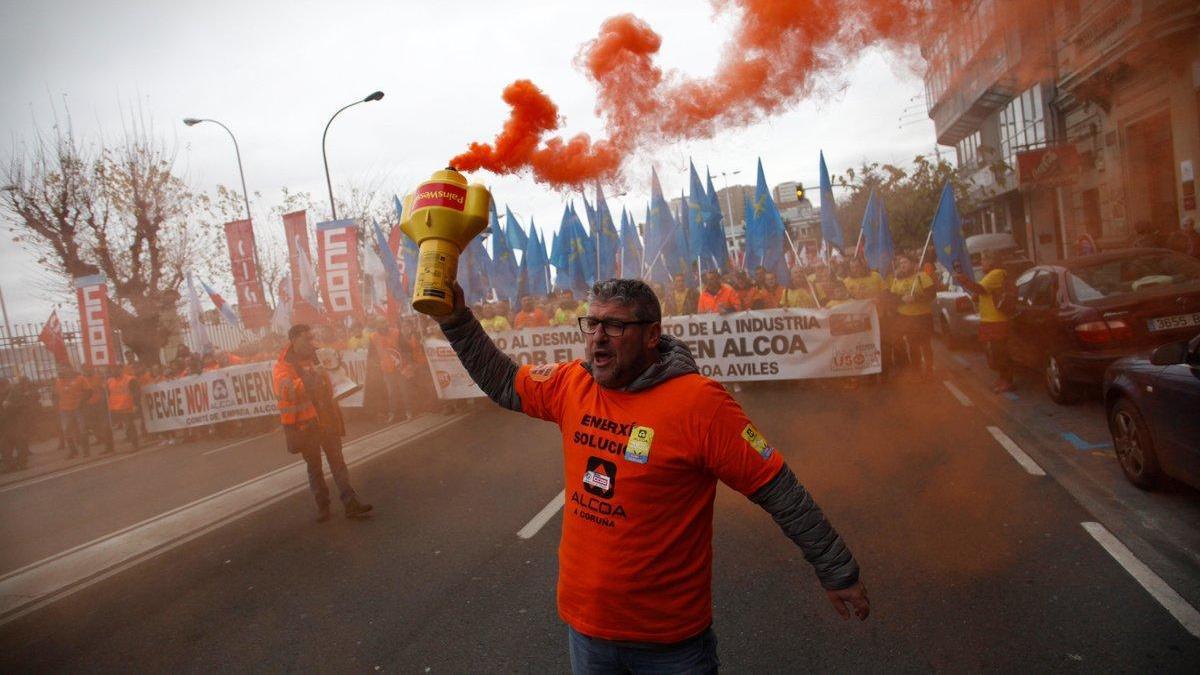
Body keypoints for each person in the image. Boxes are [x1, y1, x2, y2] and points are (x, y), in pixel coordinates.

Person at [434, 278, 868, 669]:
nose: (599, 339)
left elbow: (779, 491)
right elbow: (504, 382)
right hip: (587, 632)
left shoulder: (700, 404)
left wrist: (837, 571)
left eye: (616, 327)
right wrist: (456, 318)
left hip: (670, 645)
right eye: (592, 324)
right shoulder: (573, 384)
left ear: (652, 335)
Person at [274, 324, 373, 522]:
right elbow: (287, 391)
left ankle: (351, 504)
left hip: (327, 420)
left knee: (338, 463)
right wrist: (312, 376)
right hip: (306, 426)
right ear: (294, 339)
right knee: (315, 468)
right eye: (306, 338)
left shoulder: (318, 355)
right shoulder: (283, 365)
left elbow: (334, 379)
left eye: (312, 337)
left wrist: (338, 371)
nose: (311, 342)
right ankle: (323, 507)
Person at [956, 251, 1015, 393]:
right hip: (989, 320)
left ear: (991, 261)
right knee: (994, 352)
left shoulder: (997, 273)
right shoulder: (989, 275)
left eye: (983, 260)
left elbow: (980, 288)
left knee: (999, 352)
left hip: (997, 321)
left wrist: (964, 280)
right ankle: (1002, 378)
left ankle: (1007, 381)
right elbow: (981, 292)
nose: (981, 263)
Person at [889, 254, 936, 377]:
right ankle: (916, 370)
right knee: (912, 344)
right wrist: (902, 299)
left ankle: (929, 368)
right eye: (901, 263)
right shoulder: (896, 280)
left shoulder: (922, 277)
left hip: (923, 316)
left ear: (912, 264)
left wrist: (915, 298)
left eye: (905, 262)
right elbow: (892, 298)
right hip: (907, 318)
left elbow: (932, 294)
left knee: (925, 343)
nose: (903, 265)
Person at [1, 376, 37, 471]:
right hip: (4, 423)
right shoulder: (4, 395)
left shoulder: (15, 393)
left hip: (16, 422)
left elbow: (23, 406)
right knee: (5, 446)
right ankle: (9, 465)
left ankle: (22, 463)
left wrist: (10, 406)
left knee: (20, 443)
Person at [54, 367, 91, 458]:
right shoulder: (58, 382)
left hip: (78, 408)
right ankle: (73, 451)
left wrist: (81, 402)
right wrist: (57, 406)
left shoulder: (80, 378)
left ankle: (86, 451)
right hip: (64, 410)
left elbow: (89, 392)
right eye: (59, 370)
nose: (60, 371)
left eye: (62, 369)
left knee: (82, 429)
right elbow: (55, 395)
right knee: (66, 430)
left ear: (69, 369)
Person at [106, 365, 141, 450]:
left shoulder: (129, 379)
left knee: (129, 425)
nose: (114, 371)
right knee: (124, 427)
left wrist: (136, 404)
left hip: (127, 406)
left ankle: (135, 444)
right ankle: (130, 442)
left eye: (116, 369)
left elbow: (136, 392)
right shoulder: (109, 381)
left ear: (121, 369)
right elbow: (109, 394)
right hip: (115, 408)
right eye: (112, 369)